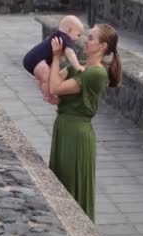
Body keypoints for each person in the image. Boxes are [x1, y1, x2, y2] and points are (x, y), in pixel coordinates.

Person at [48, 23, 122, 222]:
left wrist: (56, 57)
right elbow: (50, 83)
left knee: (71, 185)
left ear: (103, 47)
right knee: (60, 183)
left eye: (91, 38)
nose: (85, 41)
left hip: (76, 134)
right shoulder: (79, 67)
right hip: (65, 128)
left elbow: (54, 88)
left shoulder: (95, 74)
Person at [22, 15, 85, 104]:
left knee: (47, 76)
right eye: (78, 35)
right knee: (46, 76)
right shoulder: (65, 37)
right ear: (69, 30)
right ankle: (48, 96)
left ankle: (43, 88)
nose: (79, 38)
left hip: (33, 59)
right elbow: (70, 53)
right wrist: (77, 65)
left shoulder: (58, 35)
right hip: (36, 59)